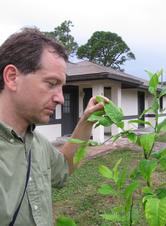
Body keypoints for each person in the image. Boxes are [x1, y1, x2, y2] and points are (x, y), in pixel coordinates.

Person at [0, 27, 108, 226]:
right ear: (12, 77)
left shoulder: (38, 143)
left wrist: (86, 121)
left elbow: (64, 168)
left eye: (62, 86)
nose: (60, 98)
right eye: (51, 83)